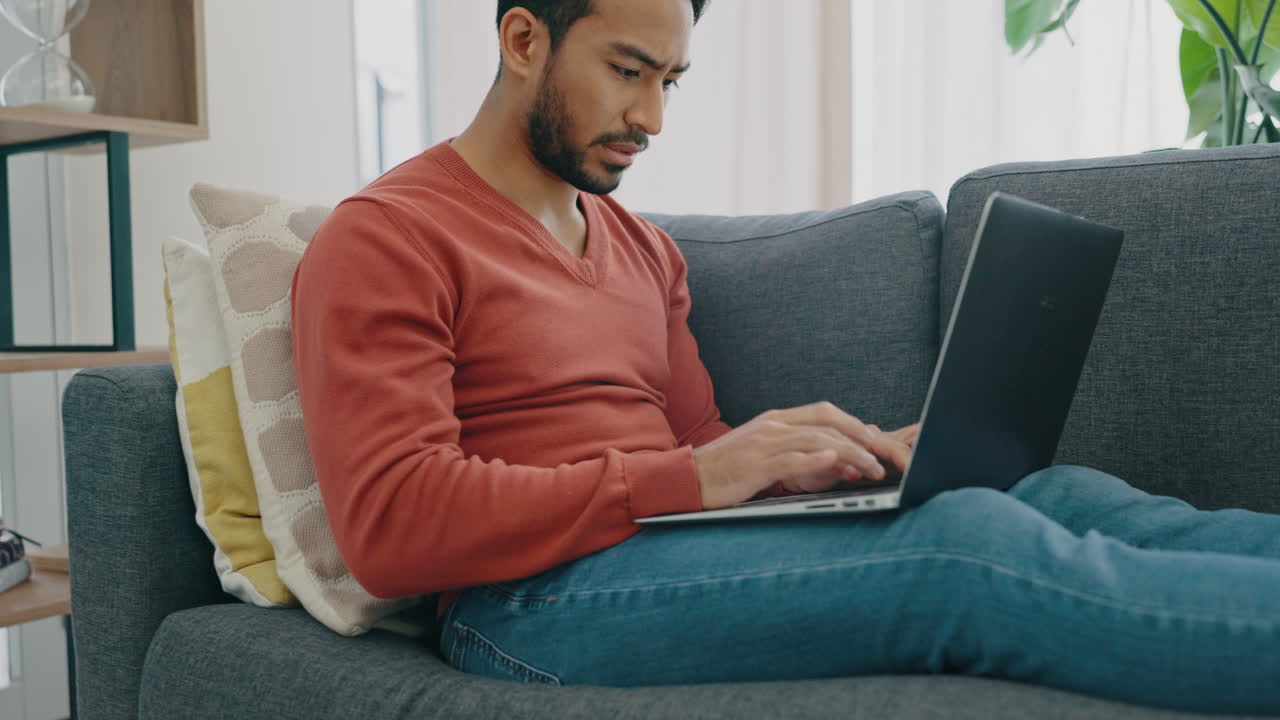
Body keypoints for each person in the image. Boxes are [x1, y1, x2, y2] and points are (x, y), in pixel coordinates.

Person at [290, 0, 1280, 713]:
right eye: (627, 71)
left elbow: (695, 449)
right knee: (963, 552)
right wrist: (696, 475)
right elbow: (391, 525)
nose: (652, 118)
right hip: (527, 606)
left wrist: (812, 466)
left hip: (664, 553)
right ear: (521, 40)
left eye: (669, 81)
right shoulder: (387, 237)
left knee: (1060, 495)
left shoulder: (641, 249)